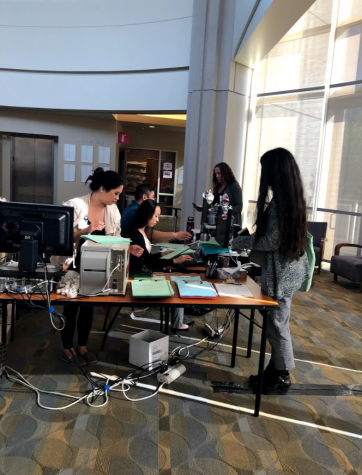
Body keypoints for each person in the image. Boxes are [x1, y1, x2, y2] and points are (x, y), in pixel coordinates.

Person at [232, 148, 309, 394]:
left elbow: (270, 242)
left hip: (281, 274)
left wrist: (238, 242)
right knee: (276, 323)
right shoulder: (290, 197)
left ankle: (282, 375)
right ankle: (275, 370)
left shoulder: (280, 203)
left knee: (276, 325)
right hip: (287, 269)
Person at [60, 167, 143, 366]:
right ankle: (67, 347)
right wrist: (87, 229)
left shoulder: (112, 210)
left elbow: (115, 239)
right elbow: (61, 239)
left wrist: (128, 248)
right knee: (71, 309)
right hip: (74, 266)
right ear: (103, 189)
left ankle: (82, 347)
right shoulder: (76, 205)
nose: (117, 198)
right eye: (115, 193)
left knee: (88, 308)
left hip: (97, 266)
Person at [125, 199, 195, 332]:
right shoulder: (136, 234)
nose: (157, 220)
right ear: (147, 214)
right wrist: (175, 261)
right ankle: (177, 323)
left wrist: (162, 255)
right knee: (176, 283)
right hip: (139, 277)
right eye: (156, 216)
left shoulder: (140, 231)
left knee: (176, 277)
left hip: (143, 272)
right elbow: (148, 263)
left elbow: (147, 258)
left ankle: (178, 320)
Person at [121, 184, 192, 243]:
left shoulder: (132, 207)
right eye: (153, 197)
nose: (154, 200)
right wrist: (175, 235)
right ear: (144, 197)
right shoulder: (135, 211)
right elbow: (149, 234)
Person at [212, 163, 243, 227]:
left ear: (225, 173)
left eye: (219, 173)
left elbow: (239, 207)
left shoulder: (234, 186)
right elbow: (216, 205)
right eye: (216, 174)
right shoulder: (217, 187)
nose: (217, 176)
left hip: (230, 223)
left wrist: (225, 209)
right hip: (217, 222)